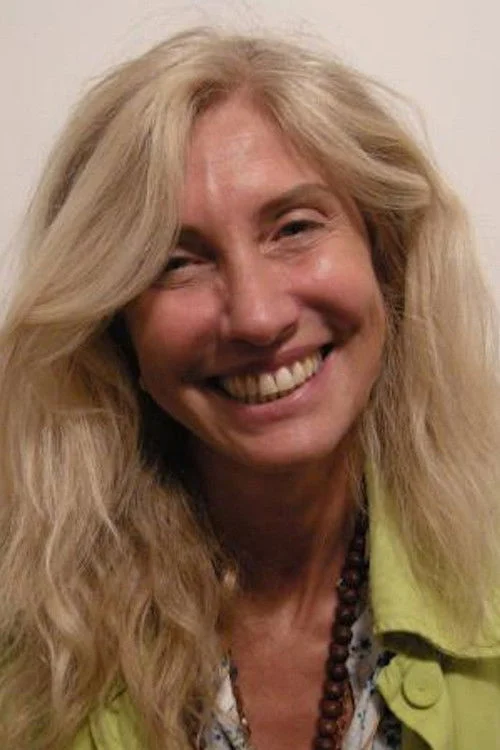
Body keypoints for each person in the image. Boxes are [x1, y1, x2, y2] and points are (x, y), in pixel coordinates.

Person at [0, 27, 499, 750]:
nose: (258, 316)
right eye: (177, 262)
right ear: (115, 327)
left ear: (384, 255)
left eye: (294, 228)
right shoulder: (25, 635)